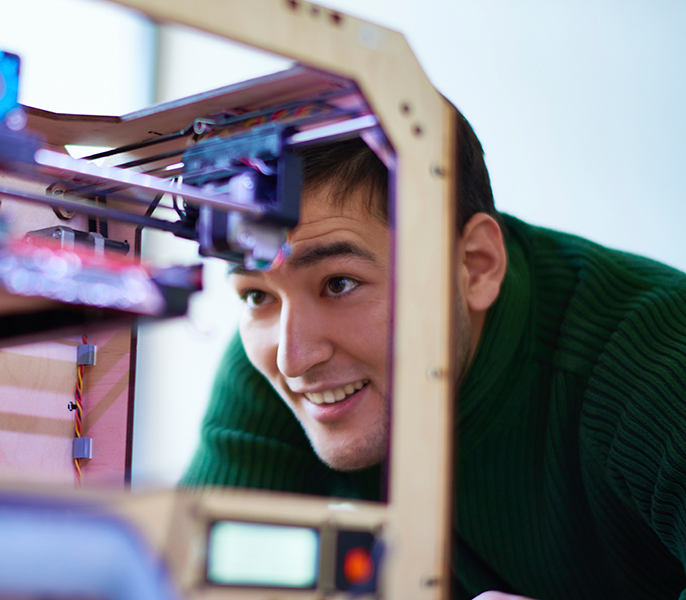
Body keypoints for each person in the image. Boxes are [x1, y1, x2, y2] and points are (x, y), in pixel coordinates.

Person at [181, 110, 686, 600]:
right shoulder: (276, 362)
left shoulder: (655, 360)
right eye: (255, 294)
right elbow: (187, 577)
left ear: (475, 265)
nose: (294, 360)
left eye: (339, 283)